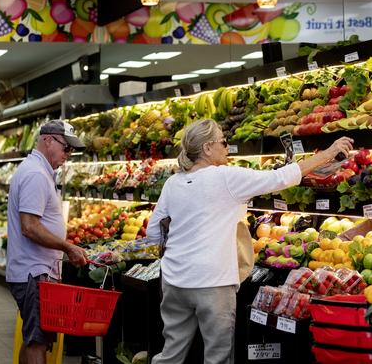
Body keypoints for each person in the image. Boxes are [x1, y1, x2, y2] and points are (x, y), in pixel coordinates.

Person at [146, 119, 354, 364]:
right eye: (223, 142)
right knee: (217, 357)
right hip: (213, 283)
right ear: (207, 148)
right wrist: (329, 153)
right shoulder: (224, 177)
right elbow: (280, 178)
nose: (227, 147)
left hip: (174, 281)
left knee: (171, 353)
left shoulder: (173, 183)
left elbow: (153, 233)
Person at [6, 120, 89, 364]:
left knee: (33, 338)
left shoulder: (39, 171)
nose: (68, 155)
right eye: (66, 148)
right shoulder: (35, 174)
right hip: (34, 272)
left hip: (36, 271)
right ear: (48, 140)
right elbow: (30, 227)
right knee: (37, 342)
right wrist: (67, 246)